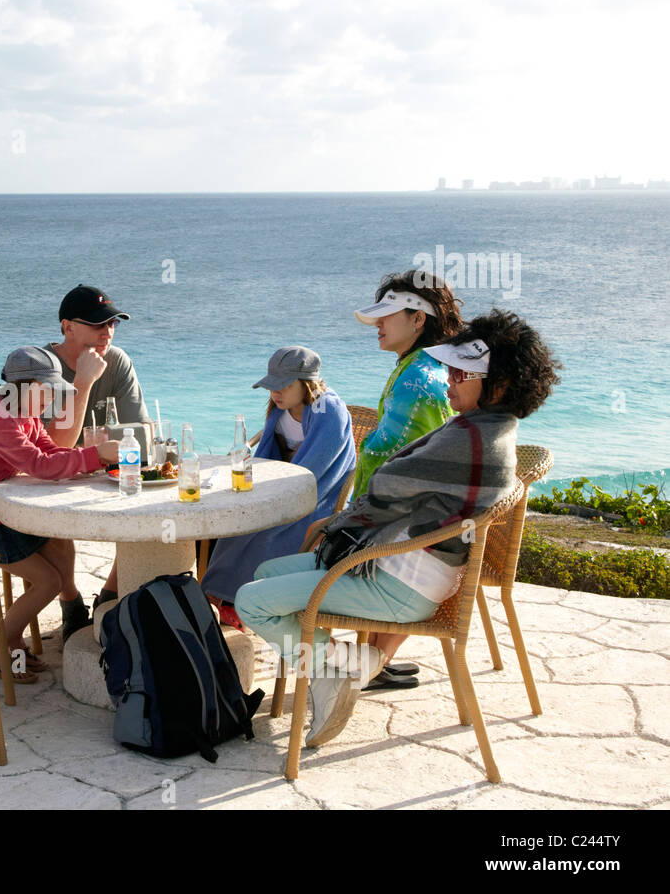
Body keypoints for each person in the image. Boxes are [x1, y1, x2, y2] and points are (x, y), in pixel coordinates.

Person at [233, 310, 561, 748]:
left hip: (397, 583)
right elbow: (398, 485)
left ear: (498, 385)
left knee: (251, 601)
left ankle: (335, 671)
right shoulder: (489, 431)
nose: (450, 381)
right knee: (266, 574)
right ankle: (344, 666)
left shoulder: (468, 440)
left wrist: (340, 521)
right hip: (409, 572)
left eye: (461, 373)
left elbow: (386, 485)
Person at [0, 346, 120, 682]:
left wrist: (88, 463)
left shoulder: (22, 412)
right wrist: (94, 456)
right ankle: (2, 643)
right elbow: (39, 465)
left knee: (58, 542)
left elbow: (49, 451)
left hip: (2, 515)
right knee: (48, 581)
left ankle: (57, 621)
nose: (52, 398)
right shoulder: (1, 421)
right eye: (48, 390)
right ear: (23, 387)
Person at [351, 270, 464, 689]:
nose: (378, 324)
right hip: (429, 524)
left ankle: (365, 662)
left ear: (419, 320)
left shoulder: (419, 380)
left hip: (410, 532)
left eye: (387, 315)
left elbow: (387, 456)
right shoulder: (426, 366)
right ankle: (371, 659)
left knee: (305, 553)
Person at [201, 347, 355, 621]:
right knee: (236, 519)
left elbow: (315, 471)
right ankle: (220, 597)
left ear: (307, 383)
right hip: (281, 486)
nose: (275, 393)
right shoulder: (280, 409)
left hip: (316, 498)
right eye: (271, 386)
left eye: (283, 385)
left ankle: (235, 602)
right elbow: (268, 455)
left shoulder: (328, 409)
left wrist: (269, 492)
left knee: (262, 528)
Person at [43, 284, 149, 639]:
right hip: (48, 477)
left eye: (113, 324)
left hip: (104, 470)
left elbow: (138, 434)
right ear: (67, 326)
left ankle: (109, 594)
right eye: (97, 325)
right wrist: (85, 383)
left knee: (152, 506)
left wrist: (111, 449)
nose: (108, 333)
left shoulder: (117, 361)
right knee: (51, 518)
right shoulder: (40, 367)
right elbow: (52, 451)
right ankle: (70, 601)